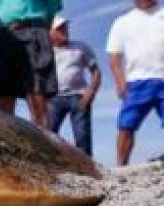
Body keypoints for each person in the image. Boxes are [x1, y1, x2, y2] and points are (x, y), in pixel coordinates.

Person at [0, 0, 61, 128]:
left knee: (37, 94)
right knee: (3, 98)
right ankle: (7, 144)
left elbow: (51, 11)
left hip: (32, 30)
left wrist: (40, 34)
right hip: (2, 36)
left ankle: (42, 144)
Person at [107, 0, 164, 166]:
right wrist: (119, 81)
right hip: (136, 83)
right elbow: (114, 57)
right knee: (126, 126)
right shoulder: (122, 22)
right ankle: (121, 168)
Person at [47, 15, 101, 156]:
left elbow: (96, 72)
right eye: (59, 29)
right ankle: (52, 166)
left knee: (82, 136)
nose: (64, 31)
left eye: (65, 28)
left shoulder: (81, 47)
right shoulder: (45, 51)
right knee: (47, 135)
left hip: (78, 97)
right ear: (50, 32)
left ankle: (88, 169)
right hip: (53, 99)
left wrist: (91, 92)